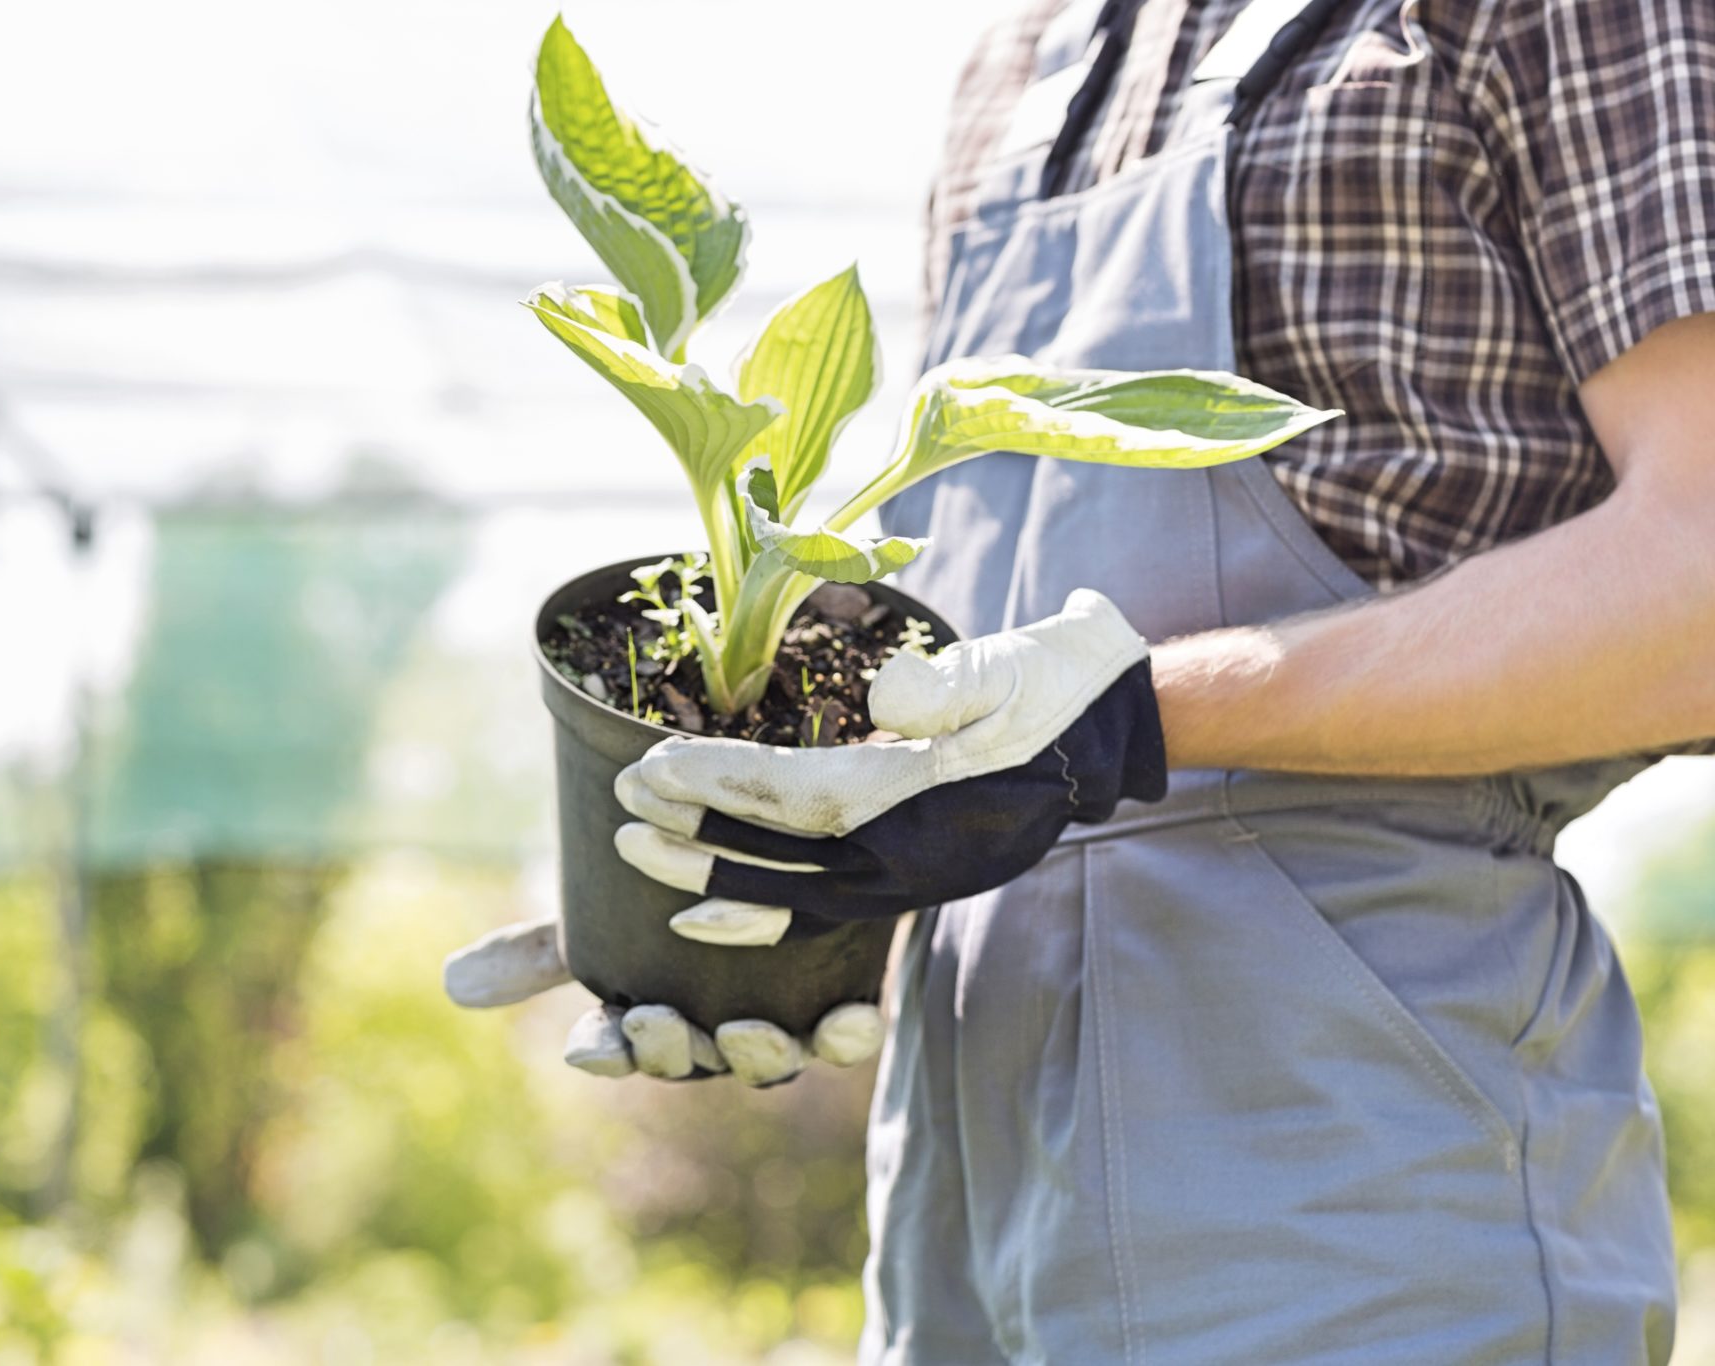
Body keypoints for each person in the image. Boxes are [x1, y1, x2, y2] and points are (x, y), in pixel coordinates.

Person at [449, 0, 1714, 1358]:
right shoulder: (1021, 66)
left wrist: (1131, 719)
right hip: (960, 1217)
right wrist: (756, 895)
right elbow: (979, 695)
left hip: (1358, 1175)